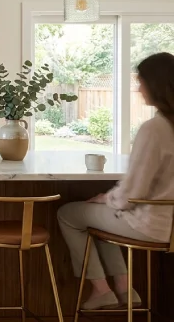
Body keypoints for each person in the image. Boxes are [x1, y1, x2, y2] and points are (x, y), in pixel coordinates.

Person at [57, 52, 174, 309]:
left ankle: (100, 290)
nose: (138, 87)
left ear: (155, 84)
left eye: (140, 81)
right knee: (100, 216)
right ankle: (123, 288)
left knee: (69, 214)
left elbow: (132, 193)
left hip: (152, 225)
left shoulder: (155, 129)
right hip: (169, 224)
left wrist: (106, 199)